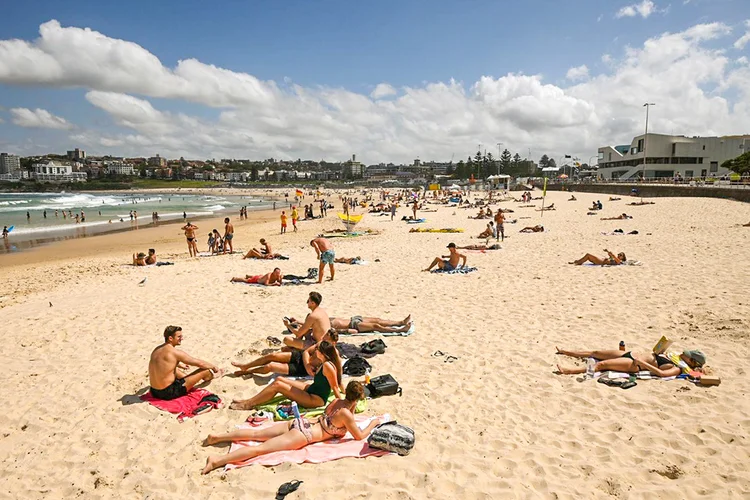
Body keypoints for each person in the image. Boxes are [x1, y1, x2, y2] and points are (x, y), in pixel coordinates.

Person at [201, 381, 381, 474]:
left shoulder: (336, 402)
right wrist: (373, 423)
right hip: (305, 434)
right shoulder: (347, 415)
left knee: (258, 434)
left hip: (301, 422)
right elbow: (358, 436)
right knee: (260, 449)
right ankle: (217, 460)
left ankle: (217, 437)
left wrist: (351, 406)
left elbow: (339, 415)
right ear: (357, 399)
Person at [228, 340, 342, 411]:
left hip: (316, 399)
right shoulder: (322, 362)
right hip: (312, 389)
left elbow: (335, 387)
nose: (315, 350)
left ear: (322, 353)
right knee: (280, 379)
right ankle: (249, 400)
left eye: (317, 349)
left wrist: (342, 405)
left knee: (278, 385)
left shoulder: (327, 366)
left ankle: (248, 404)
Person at [148, 326, 224, 401]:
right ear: (170, 338)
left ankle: (187, 379)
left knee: (174, 370)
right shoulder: (175, 353)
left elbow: (163, 363)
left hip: (154, 391)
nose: (182, 338)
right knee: (205, 371)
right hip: (168, 393)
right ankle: (213, 376)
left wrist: (180, 365)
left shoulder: (157, 349)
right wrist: (213, 367)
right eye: (179, 337)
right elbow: (200, 364)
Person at [232, 329, 339, 377]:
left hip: (302, 369)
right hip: (301, 358)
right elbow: (306, 351)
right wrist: (307, 364)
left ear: (333, 343)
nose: (323, 339)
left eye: (326, 338)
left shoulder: (334, 354)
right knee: (272, 356)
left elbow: (337, 370)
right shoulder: (321, 343)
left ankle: (248, 372)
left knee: (270, 366)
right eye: (324, 337)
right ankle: (246, 366)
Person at [555, 346, 706, 377]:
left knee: (601, 365)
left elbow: (660, 373)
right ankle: (566, 351)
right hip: (632, 354)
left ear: (691, 361)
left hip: (636, 364)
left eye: (687, 356)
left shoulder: (678, 367)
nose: (683, 354)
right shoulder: (676, 356)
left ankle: (570, 370)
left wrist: (642, 363)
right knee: (596, 353)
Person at [330, 314, 412, 334]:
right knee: (376, 326)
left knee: (378, 320)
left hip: (353, 319)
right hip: (353, 325)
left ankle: (401, 322)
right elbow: (333, 331)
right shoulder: (323, 326)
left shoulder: (322, 317)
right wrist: (347, 330)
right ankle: (400, 330)